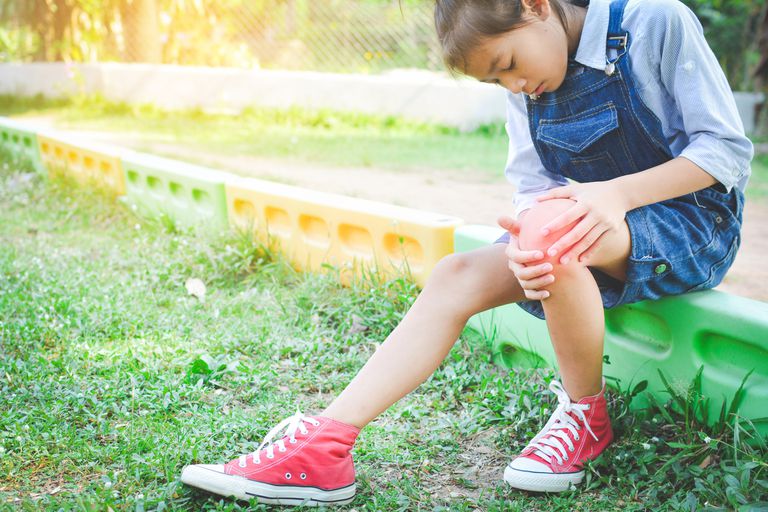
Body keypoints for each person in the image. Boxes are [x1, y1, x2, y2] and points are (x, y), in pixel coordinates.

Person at [180, 0, 753, 504]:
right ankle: (326, 444)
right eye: (494, 82)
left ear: (536, 5)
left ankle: (587, 415)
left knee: (551, 233)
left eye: (507, 65)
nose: (514, 87)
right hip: (581, 231)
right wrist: (530, 239)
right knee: (458, 272)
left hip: (692, 224)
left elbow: (726, 150)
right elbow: (533, 188)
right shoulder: (527, 86)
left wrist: (614, 197)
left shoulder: (655, 20)